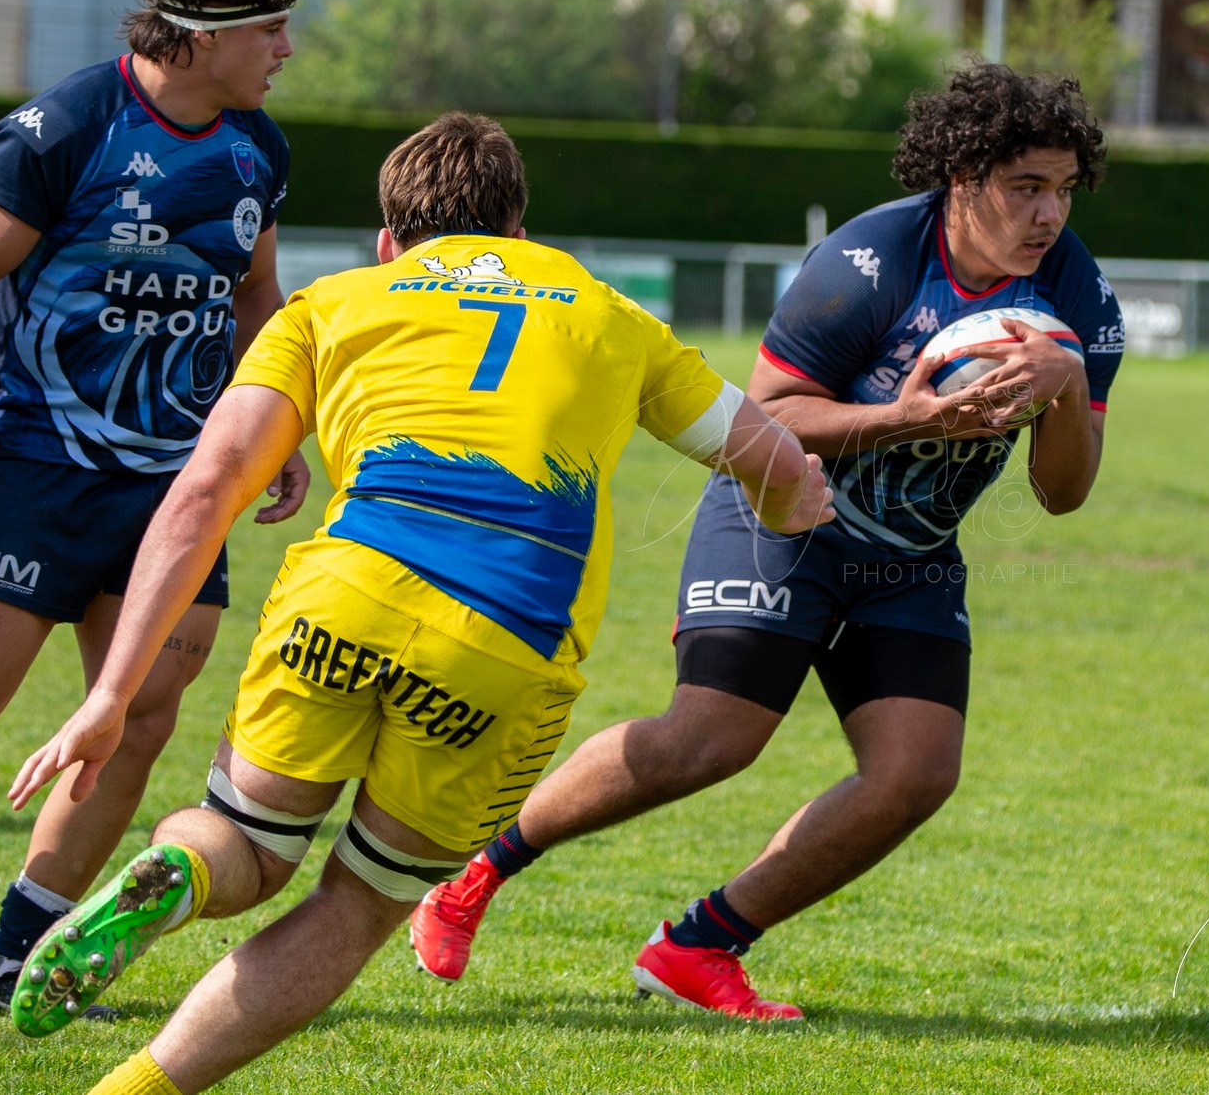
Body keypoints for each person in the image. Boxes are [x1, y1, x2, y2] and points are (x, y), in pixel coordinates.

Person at [1, 112, 831, 1094]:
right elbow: (775, 462)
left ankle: (177, 874)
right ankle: (128, 1091)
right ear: (518, 233)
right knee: (357, 905)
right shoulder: (608, 312)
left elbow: (206, 487)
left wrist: (111, 695)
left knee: (246, 843)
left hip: (341, 597)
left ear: (389, 240)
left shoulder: (330, 303)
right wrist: (795, 503)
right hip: (506, 639)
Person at [408, 62, 1124, 1020]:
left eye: (1064, 191)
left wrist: (1067, 385)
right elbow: (766, 414)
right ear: (962, 178)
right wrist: (908, 422)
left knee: (916, 774)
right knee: (711, 741)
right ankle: (473, 874)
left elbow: (1064, 491)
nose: (1048, 215)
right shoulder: (865, 262)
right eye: (1025, 187)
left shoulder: (1082, 297)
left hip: (907, 552)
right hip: (781, 510)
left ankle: (699, 947)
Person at [0, 0, 308, 1015]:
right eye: (272, 27)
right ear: (204, 34)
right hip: (30, 462)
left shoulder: (257, 148)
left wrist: (274, 426)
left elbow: (253, 299)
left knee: (135, 717)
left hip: (175, 488)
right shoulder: (65, 127)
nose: (286, 48)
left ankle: (16, 958)